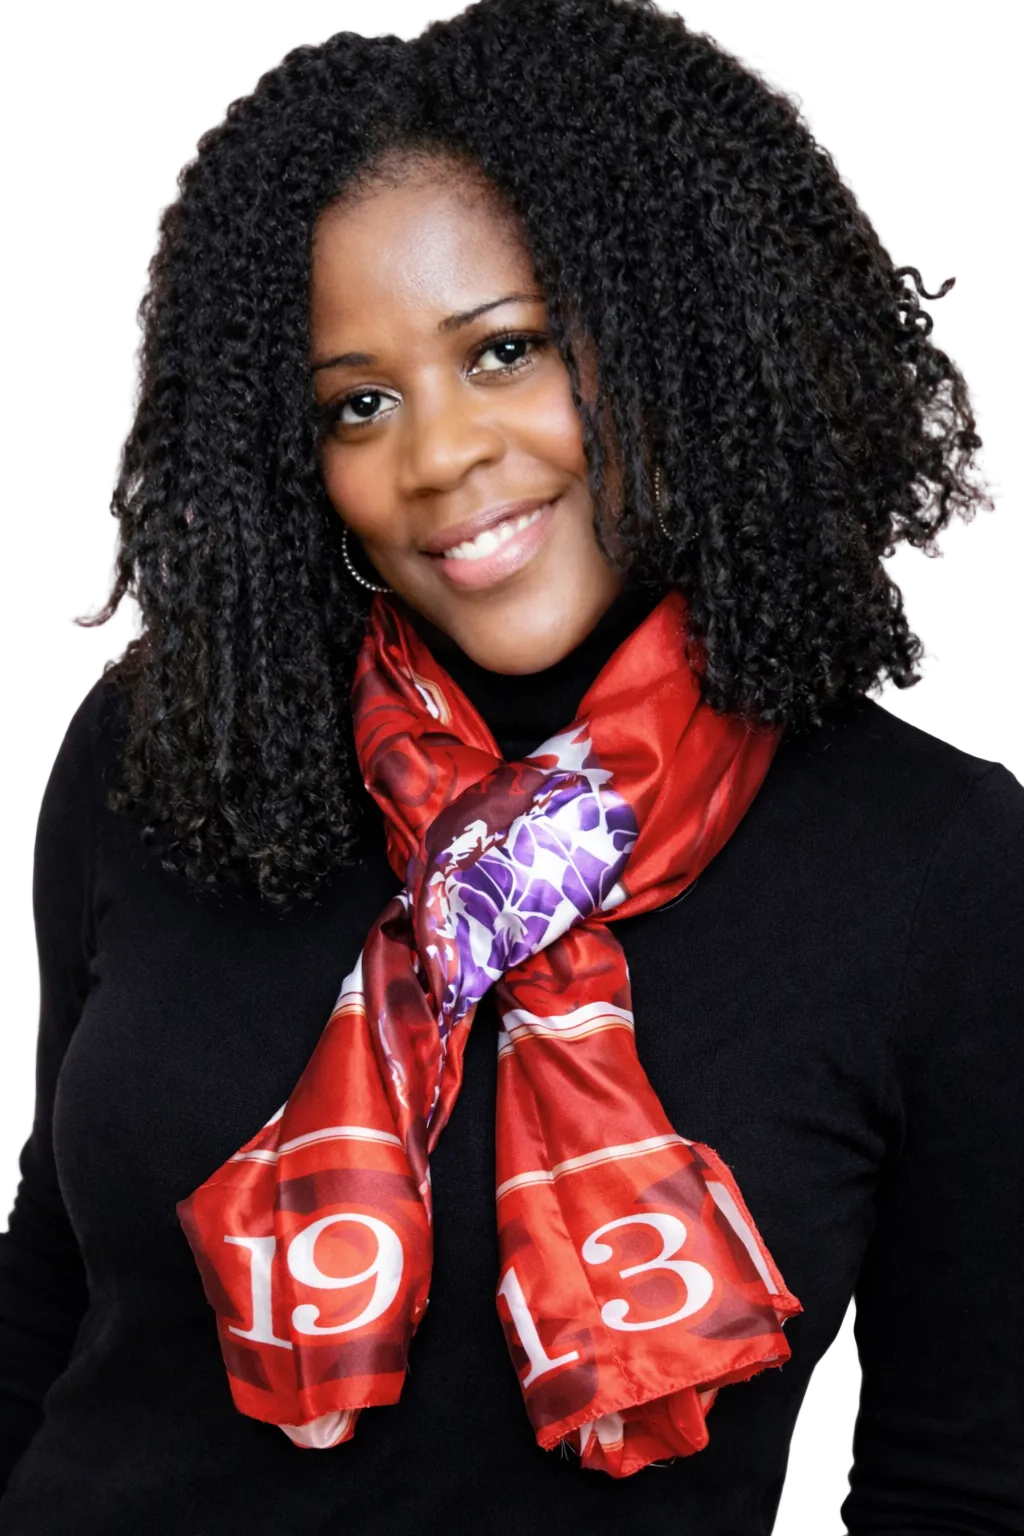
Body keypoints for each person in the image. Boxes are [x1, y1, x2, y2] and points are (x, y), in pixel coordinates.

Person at [1, 0, 1021, 1530]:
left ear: (681, 329)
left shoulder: (936, 862)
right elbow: (58, 1280)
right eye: (359, 401)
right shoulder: (172, 750)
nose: (437, 457)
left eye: (506, 350)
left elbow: (965, 1480)